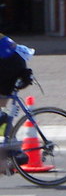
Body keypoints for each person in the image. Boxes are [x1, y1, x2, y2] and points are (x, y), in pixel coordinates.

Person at [0, 33, 34, 174]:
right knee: (1, 109)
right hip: (11, 60)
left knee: (1, 114)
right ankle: (11, 152)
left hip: (8, 63)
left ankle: (13, 152)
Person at [0, 33, 34, 125]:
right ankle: (6, 129)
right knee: (3, 95)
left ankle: (2, 117)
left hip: (10, 62)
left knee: (3, 93)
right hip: (13, 59)